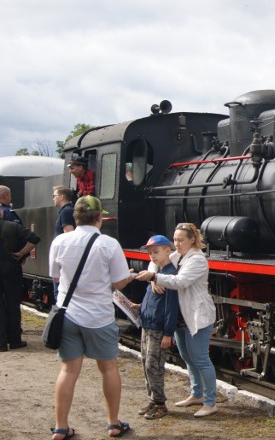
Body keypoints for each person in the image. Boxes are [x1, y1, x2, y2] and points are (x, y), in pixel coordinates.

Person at [49, 196, 134, 439]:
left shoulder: (60, 241)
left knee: (68, 370)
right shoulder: (108, 243)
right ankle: (113, 424)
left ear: (75, 217)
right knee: (108, 368)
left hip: (68, 315)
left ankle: (61, 427)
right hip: (99, 316)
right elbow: (118, 282)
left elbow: (56, 277)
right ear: (99, 217)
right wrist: (128, 276)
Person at [136, 222, 218, 418]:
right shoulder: (178, 255)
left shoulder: (197, 259)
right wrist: (154, 275)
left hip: (197, 315)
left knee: (200, 358)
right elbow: (156, 260)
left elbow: (181, 281)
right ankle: (196, 394)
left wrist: (155, 278)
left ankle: (210, 402)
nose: (177, 243)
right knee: (187, 357)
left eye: (181, 240)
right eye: (174, 240)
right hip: (181, 316)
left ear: (192, 240)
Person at [135, 235, 180, 420]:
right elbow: (152, 298)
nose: (152, 255)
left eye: (156, 251)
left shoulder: (169, 275)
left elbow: (171, 306)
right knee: (146, 362)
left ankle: (161, 403)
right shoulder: (157, 274)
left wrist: (168, 333)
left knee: (154, 365)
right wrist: (138, 307)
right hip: (147, 324)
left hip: (158, 328)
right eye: (150, 252)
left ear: (168, 250)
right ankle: (153, 398)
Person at [0, 209, 40, 352]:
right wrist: (21, 253)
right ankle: (15, 341)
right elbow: (35, 238)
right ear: (1, 214)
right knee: (13, 305)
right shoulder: (13, 226)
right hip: (11, 268)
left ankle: (1, 343)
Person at [52, 186, 76, 301]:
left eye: (54, 196)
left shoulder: (66, 212)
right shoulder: (67, 211)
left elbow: (69, 234)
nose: (53, 198)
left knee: (60, 294)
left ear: (61, 197)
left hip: (63, 257)